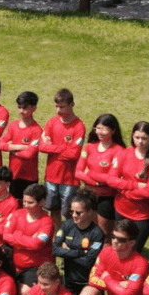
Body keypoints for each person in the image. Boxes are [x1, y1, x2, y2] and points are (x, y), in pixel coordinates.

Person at [105, 120, 149, 252]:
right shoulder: (124, 153)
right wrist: (135, 185)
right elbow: (111, 179)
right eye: (137, 137)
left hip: (143, 215)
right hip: (121, 210)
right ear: (132, 136)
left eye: (144, 138)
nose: (140, 141)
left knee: (134, 251)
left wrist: (123, 189)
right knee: (118, 247)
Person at [38, 88, 86, 230]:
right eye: (56, 106)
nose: (58, 110)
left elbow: (74, 154)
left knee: (70, 213)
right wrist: (63, 148)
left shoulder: (79, 126)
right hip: (51, 177)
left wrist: (52, 147)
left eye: (62, 107)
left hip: (69, 179)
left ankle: (73, 236)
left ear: (72, 105)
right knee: (53, 210)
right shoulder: (51, 123)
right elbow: (41, 146)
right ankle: (57, 237)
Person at [75, 113, 125, 242]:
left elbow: (111, 178)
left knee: (104, 234)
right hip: (87, 196)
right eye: (97, 128)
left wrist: (89, 174)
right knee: (85, 229)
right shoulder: (89, 147)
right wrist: (98, 182)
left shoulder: (119, 151)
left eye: (104, 129)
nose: (100, 132)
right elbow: (78, 172)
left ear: (113, 130)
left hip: (106, 198)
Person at [2, 183, 55, 295]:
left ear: (42, 202)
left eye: (30, 203)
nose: (26, 205)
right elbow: (5, 235)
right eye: (24, 201)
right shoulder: (17, 214)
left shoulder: (47, 222)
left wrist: (16, 236)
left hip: (35, 267)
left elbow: (36, 244)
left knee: (24, 292)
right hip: (14, 263)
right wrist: (28, 239)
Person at [51, 188, 105, 295]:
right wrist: (79, 252)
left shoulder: (97, 233)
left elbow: (87, 262)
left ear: (89, 212)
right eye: (71, 211)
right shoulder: (67, 225)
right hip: (69, 281)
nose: (74, 215)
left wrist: (66, 251)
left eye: (78, 213)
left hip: (89, 282)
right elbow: (55, 249)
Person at [0, 91, 42, 201]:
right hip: (14, 175)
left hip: (29, 177)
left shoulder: (37, 130)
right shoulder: (13, 125)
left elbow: (29, 154)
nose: (21, 111)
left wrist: (11, 149)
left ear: (34, 108)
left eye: (25, 108)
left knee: (29, 205)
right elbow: (0, 145)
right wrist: (22, 147)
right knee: (14, 204)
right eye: (19, 107)